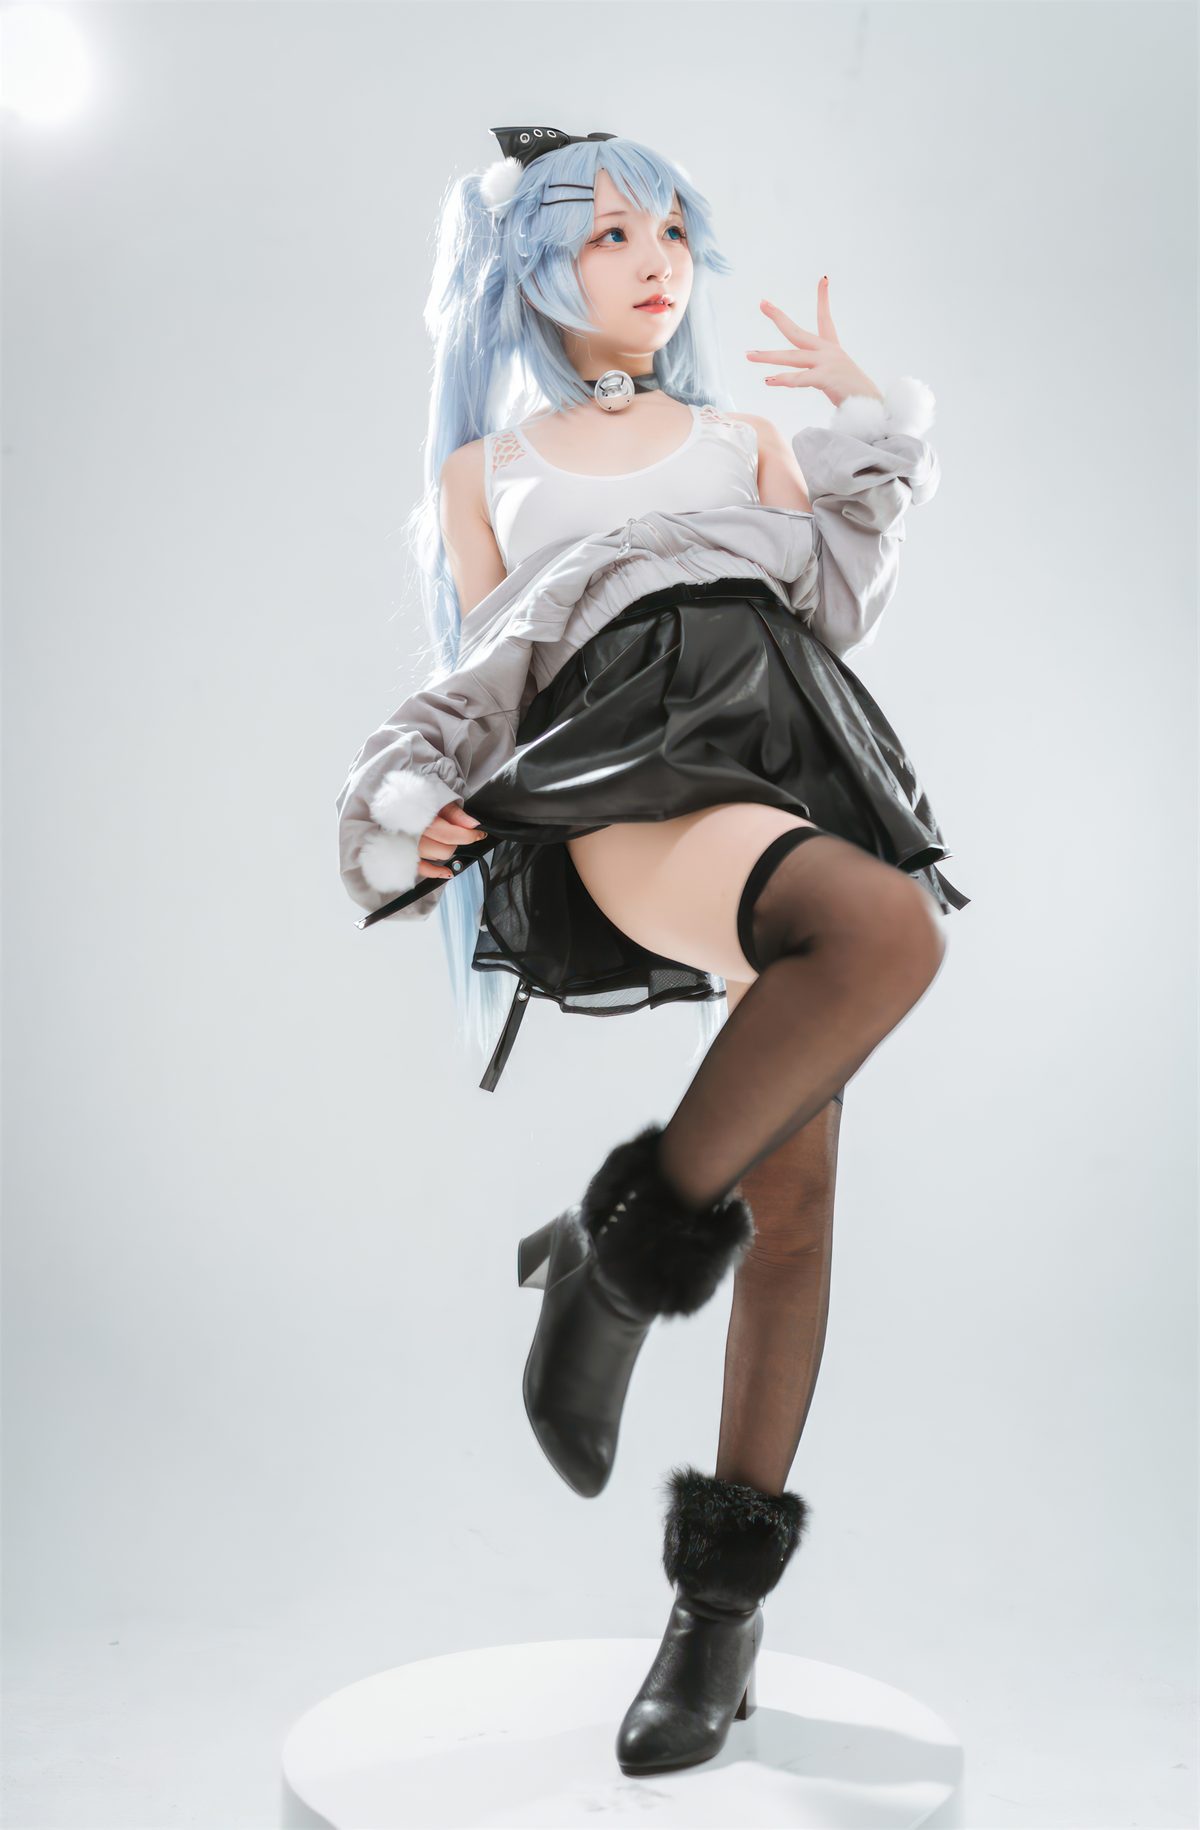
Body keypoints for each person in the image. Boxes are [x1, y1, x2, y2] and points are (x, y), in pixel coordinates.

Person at [334, 124, 970, 1779]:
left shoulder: (746, 435)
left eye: (673, 231)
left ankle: (716, 1618)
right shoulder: (487, 472)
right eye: (611, 231)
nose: (654, 260)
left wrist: (866, 428)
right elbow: (486, 673)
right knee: (880, 930)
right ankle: (618, 1257)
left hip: (792, 774)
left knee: (800, 1207)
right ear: (532, 263)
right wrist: (408, 797)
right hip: (636, 791)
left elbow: (833, 605)